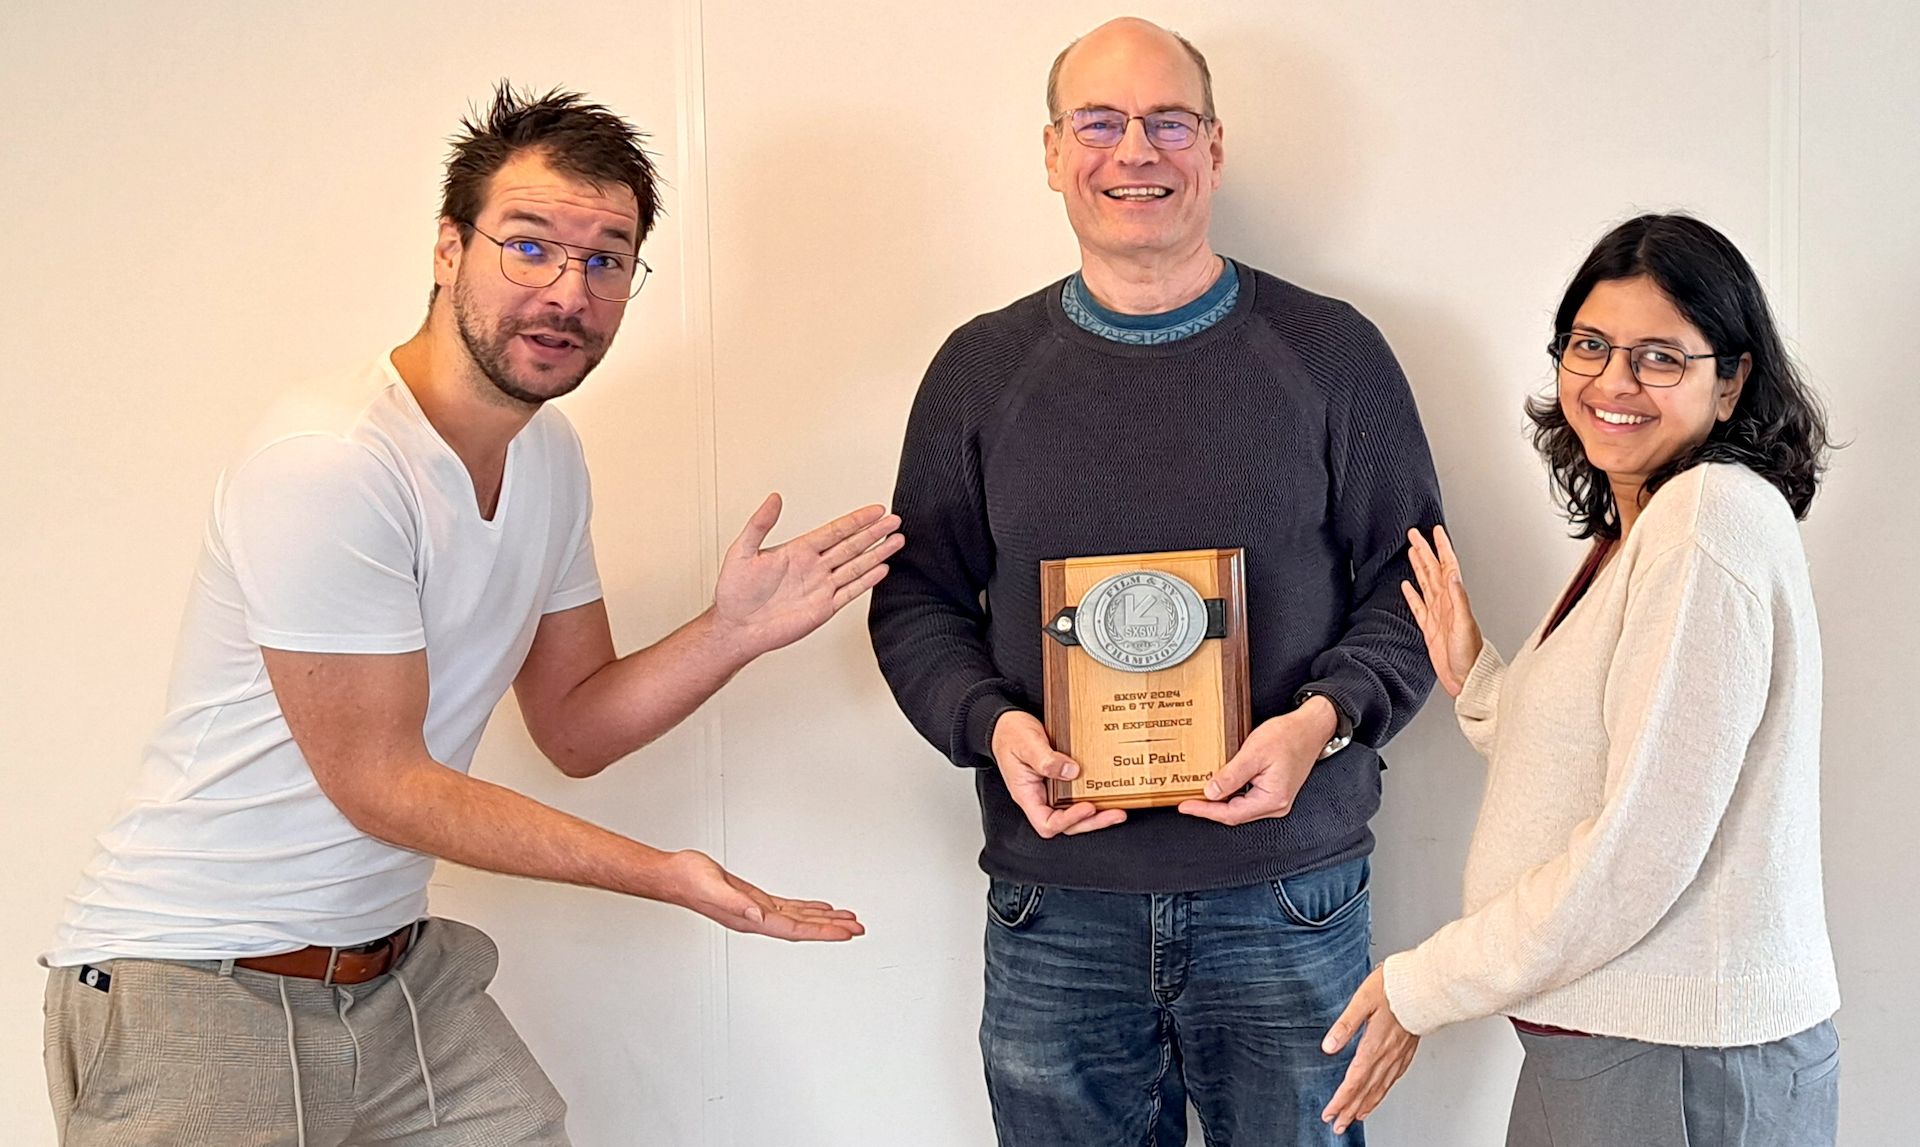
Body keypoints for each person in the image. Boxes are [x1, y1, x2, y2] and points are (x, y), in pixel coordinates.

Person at [41, 84, 902, 1147]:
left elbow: (575, 724)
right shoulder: (331, 461)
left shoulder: (547, 457)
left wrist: (726, 634)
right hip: (199, 983)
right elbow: (381, 785)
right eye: (530, 246)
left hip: (393, 980)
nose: (567, 292)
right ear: (449, 248)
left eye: (605, 260)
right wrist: (666, 875)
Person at [868, 18, 1442, 1145]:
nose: (1137, 150)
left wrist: (1320, 723)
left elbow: (1416, 591)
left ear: (1214, 150)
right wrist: (994, 727)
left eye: (1168, 122)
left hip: (1286, 896)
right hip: (1058, 902)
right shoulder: (977, 370)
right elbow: (918, 599)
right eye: (1100, 122)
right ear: (1051, 152)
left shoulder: (1333, 353)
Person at [1319, 213, 1840, 1146]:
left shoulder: (1704, 522)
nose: (1612, 382)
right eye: (1591, 345)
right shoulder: (1648, 523)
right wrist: (1478, 680)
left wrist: (1422, 985)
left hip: (1676, 1059)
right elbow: (1605, 755)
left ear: (1733, 383)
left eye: (1659, 358)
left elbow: (1636, 854)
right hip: (1624, 1046)